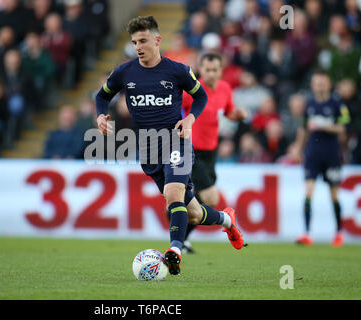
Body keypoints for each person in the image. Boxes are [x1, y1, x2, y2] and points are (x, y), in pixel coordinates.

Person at [95, 16, 245, 276]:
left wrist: (189, 119)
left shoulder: (177, 70)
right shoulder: (124, 72)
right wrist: (100, 115)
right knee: (194, 213)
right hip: (149, 149)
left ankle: (174, 250)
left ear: (157, 40)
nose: (138, 46)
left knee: (173, 194)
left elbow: (201, 96)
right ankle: (227, 220)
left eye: (143, 41)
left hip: (177, 141)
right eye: (134, 42)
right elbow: (102, 96)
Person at [178, 53, 248, 253]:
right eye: (207, 69)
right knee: (210, 198)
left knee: (198, 200)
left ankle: (181, 236)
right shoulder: (192, 91)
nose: (210, 73)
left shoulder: (225, 89)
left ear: (220, 70)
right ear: (201, 70)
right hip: (191, 151)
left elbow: (228, 113)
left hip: (211, 151)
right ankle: (180, 238)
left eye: (214, 69)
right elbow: (177, 111)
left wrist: (239, 115)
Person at [295, 70, 351, 247]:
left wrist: (324, 125)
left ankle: (339, 233)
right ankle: (307, 233)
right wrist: (298, 147)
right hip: (312, 153)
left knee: (333, 194)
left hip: (331, 153)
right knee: (308, 191)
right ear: (312, 85)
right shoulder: (309, 104)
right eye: (316, 82)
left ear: (329, 84)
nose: (319, 85)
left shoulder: (337, 104)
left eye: (322, 82)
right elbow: (304, 128)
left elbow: (344, 128)